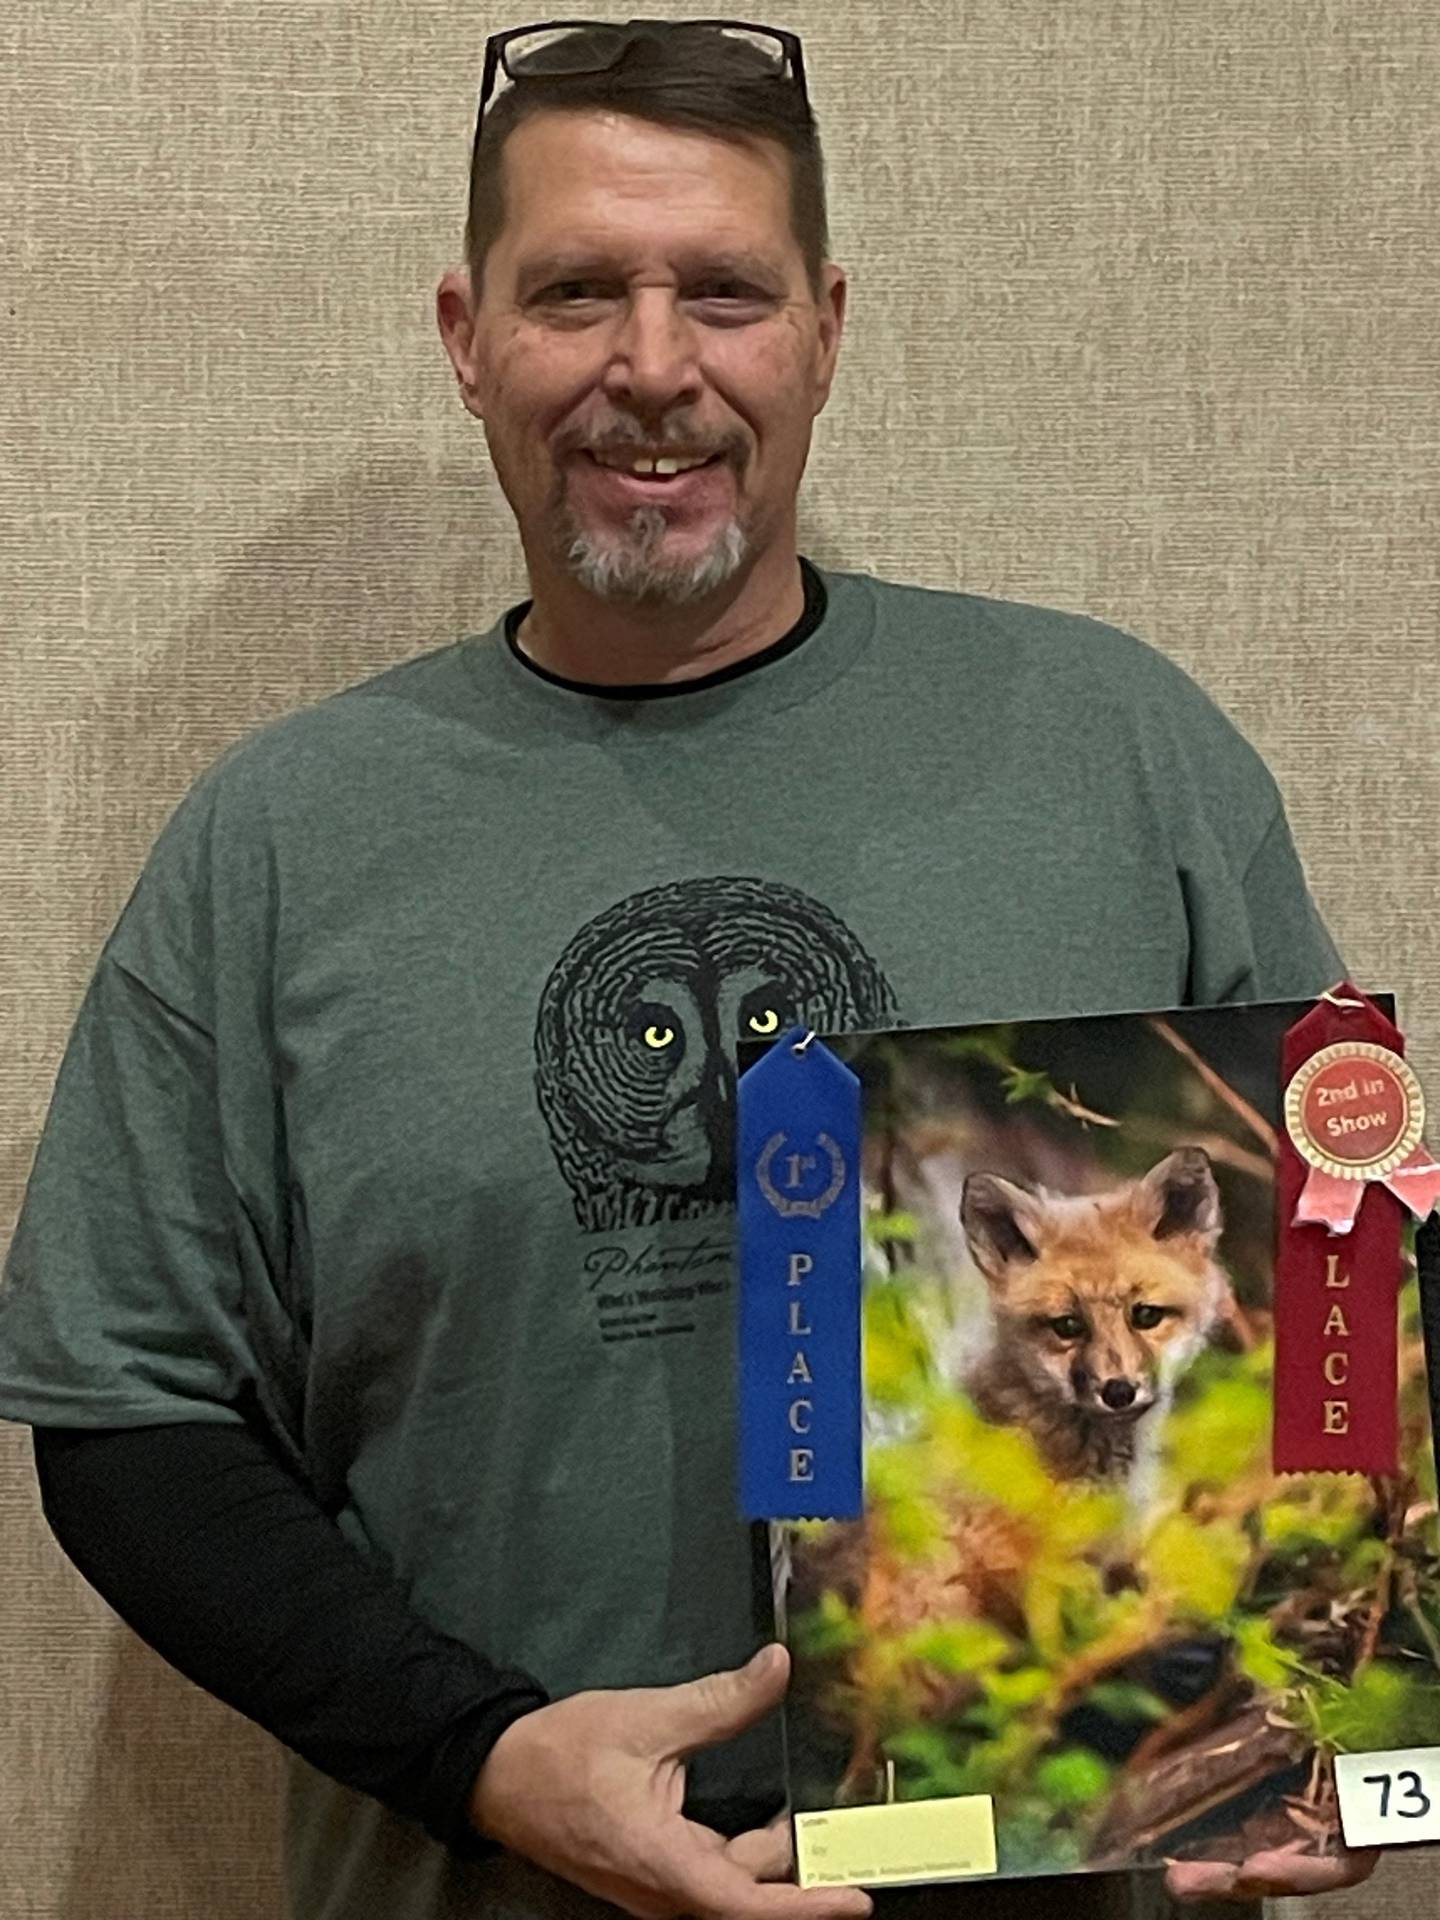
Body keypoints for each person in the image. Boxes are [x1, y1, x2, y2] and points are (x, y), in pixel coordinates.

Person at [0, 17, 1382, 1920]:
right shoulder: (278, 841)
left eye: (722, 293)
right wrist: (474, 1754)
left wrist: (1325, 1737)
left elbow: (1351, 1286)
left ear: (822, 325)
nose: (654, 369)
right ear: (466, 334)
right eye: (576, 291)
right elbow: (125, 1412)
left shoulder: (1121, 752)